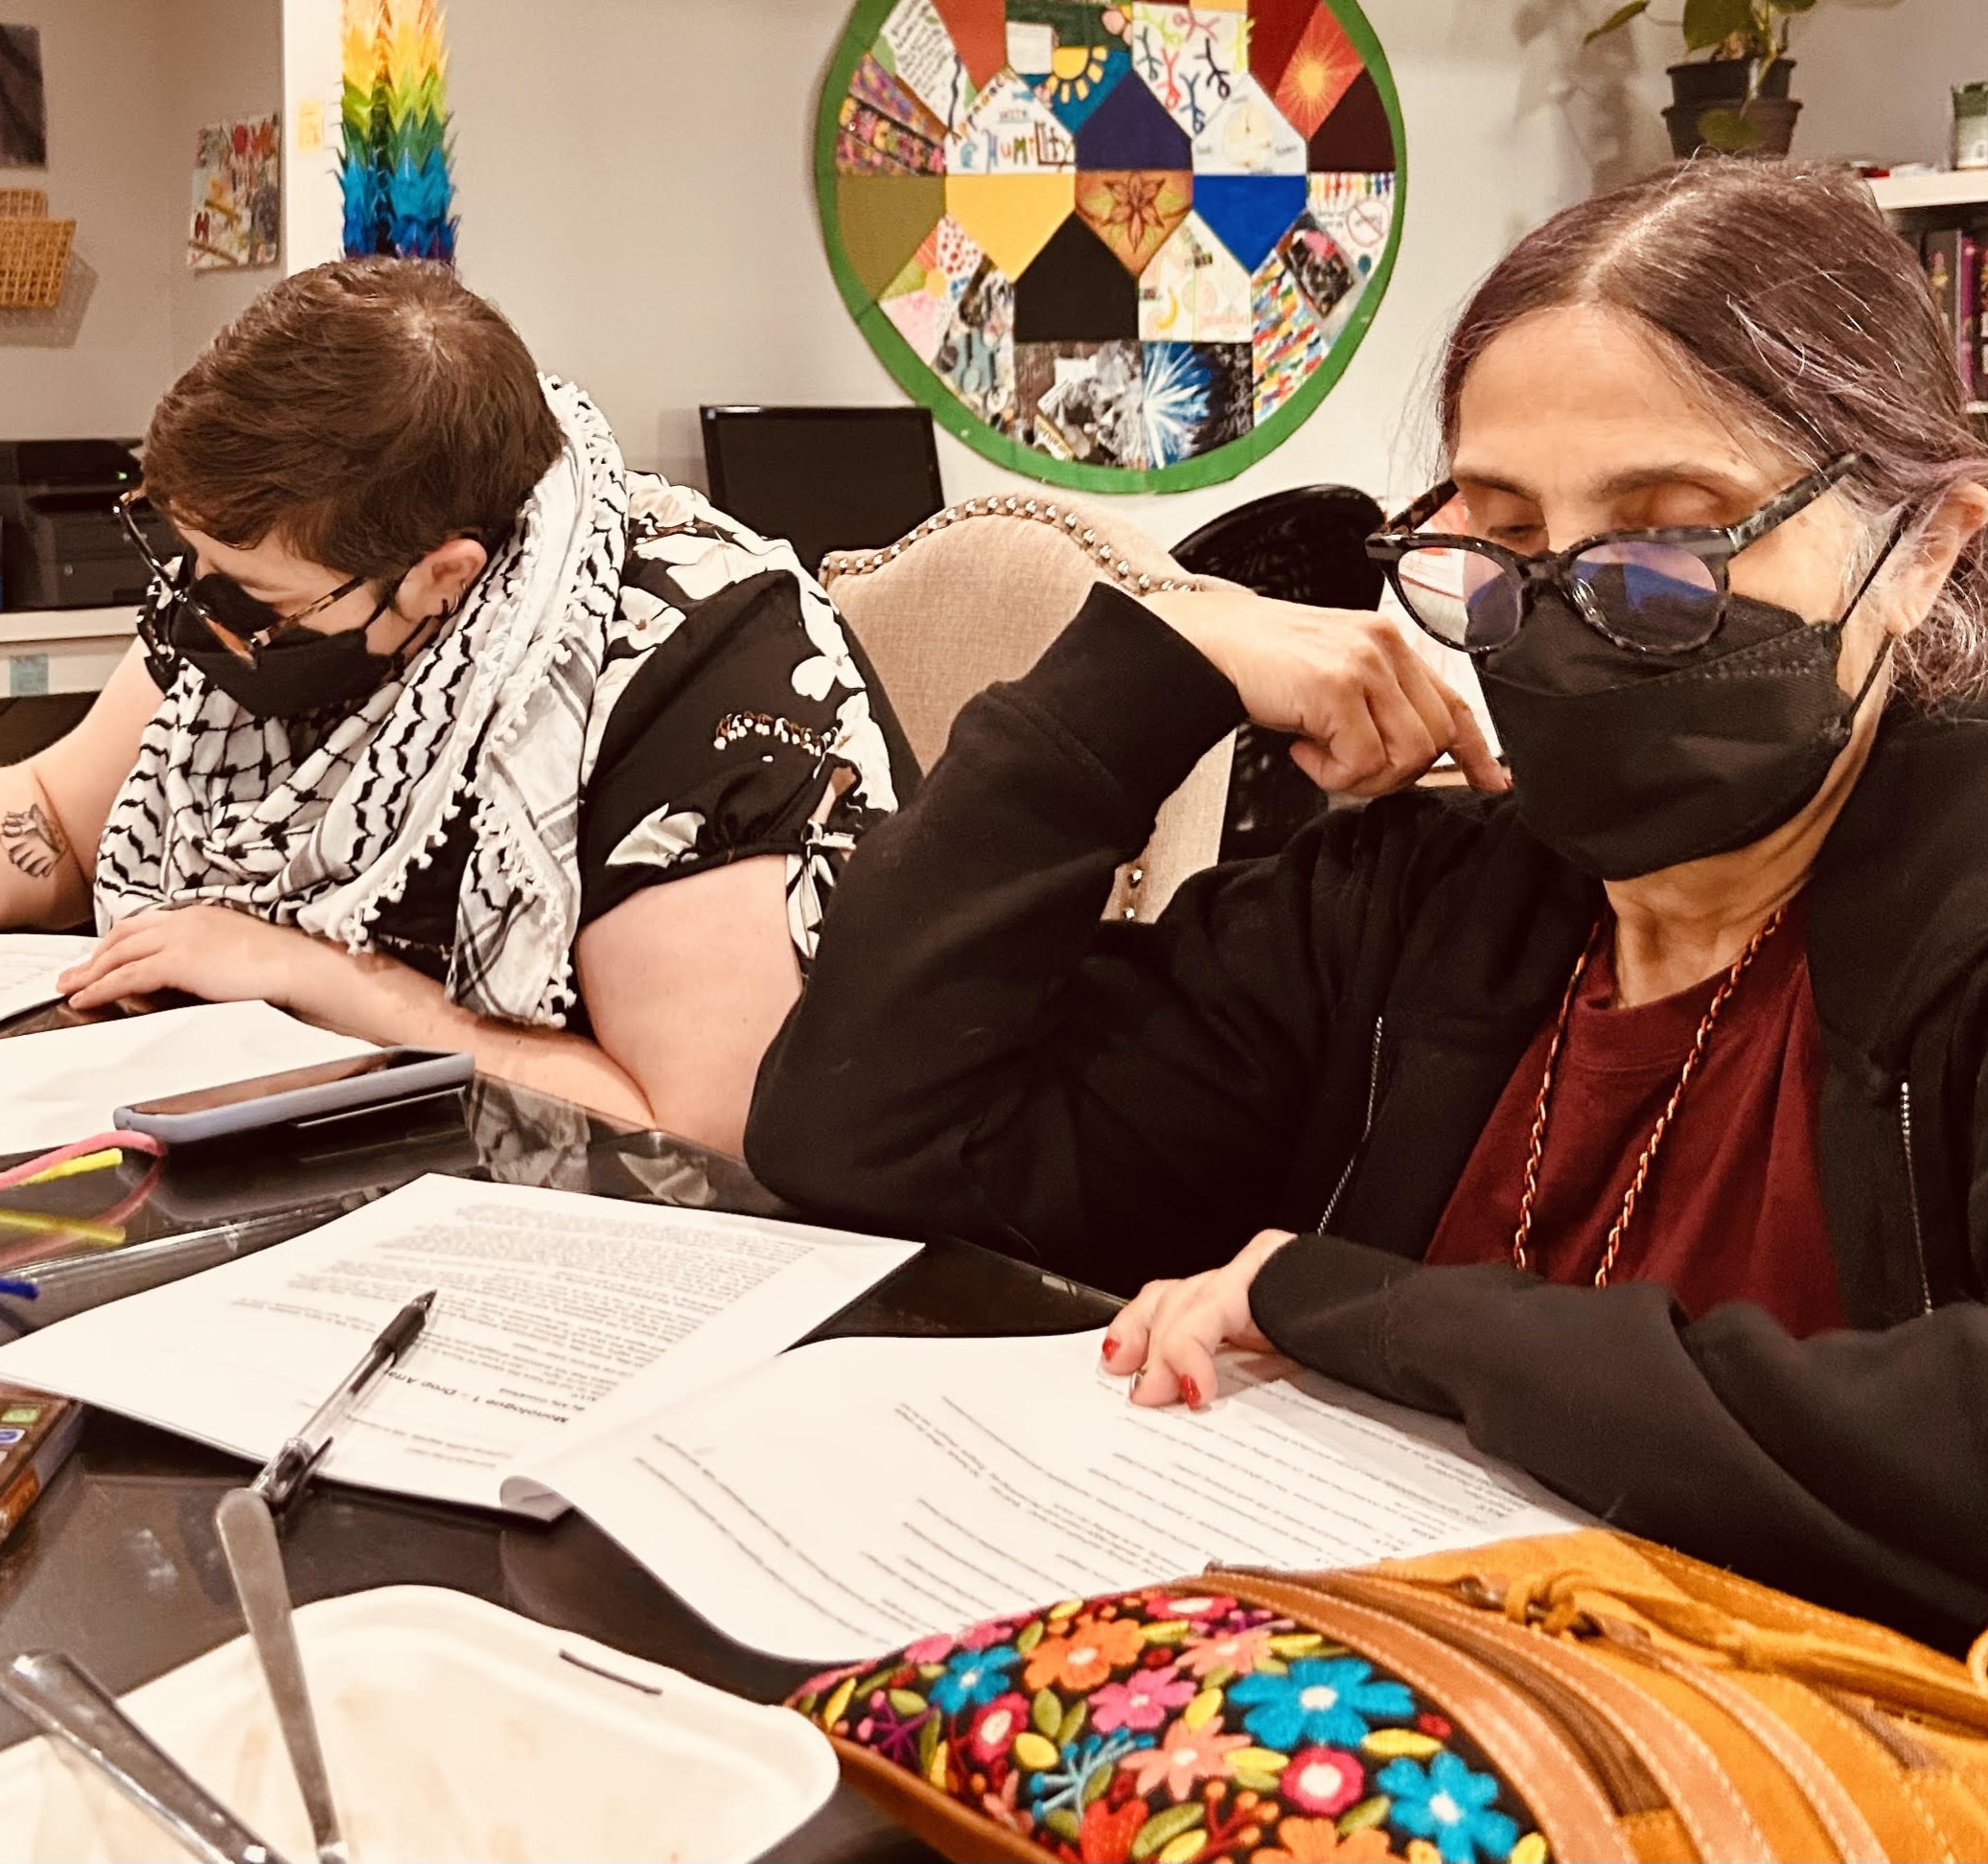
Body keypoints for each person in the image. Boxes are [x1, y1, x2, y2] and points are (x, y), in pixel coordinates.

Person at [747, 161, 1988, 1654]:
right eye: (1502, 546)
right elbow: (866, 1138)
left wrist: (1368, 1312)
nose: (1565, 622)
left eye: (1666, 545)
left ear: (1922, 550)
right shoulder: (1399, 907)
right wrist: (1144, 673)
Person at [0, 259, 913, 1155]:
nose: (199, 616)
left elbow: (692, 1131)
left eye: (254, 596)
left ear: (442, 578)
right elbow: (50, 813)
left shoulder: (694, 660)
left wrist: (315, 975)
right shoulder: (281, 599)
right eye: (190, 563)